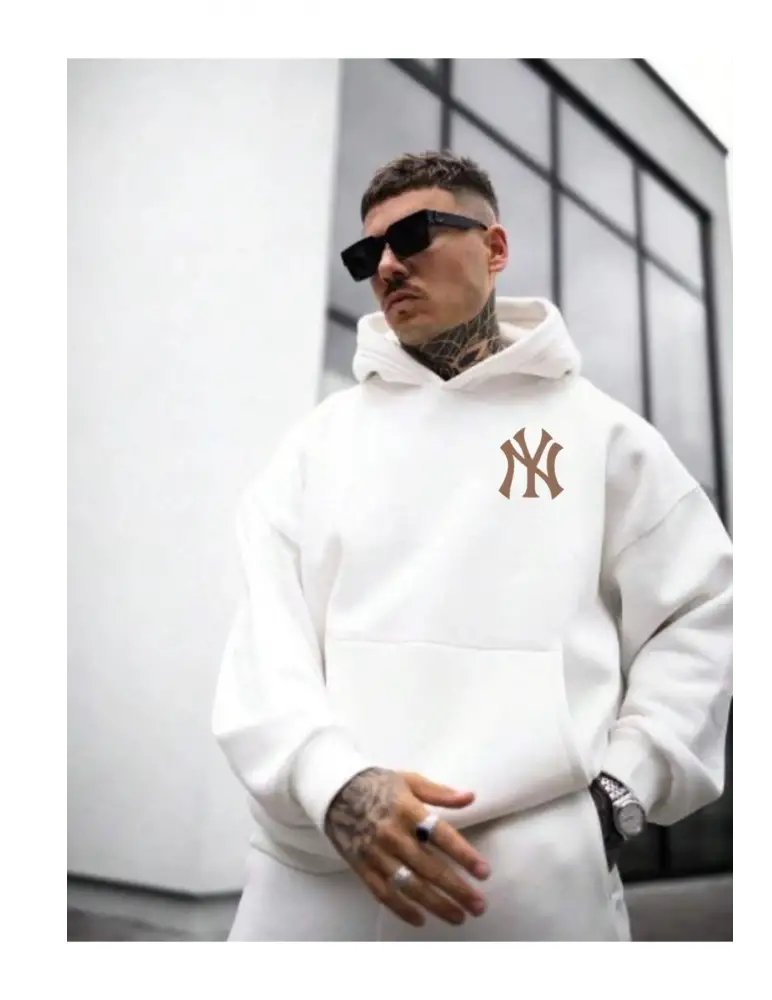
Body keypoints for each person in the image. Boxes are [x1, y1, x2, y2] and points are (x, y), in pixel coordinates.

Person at [212, 151, 735, 941]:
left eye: (413, 235)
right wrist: (333, 784)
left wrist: (625, 787)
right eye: (367, 253)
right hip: (319, 892)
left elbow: (703, 609)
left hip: (537, 899)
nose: (387, 266)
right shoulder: (316, 448)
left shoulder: (602, 434)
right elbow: (265, 645)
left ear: (494, 249)